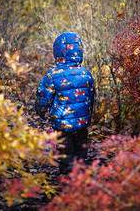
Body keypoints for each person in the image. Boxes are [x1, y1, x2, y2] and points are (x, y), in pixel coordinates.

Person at [36, 32, 95, 174]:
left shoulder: (53, 75)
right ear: (79, 50)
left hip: (62, 125)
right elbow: (91, 97)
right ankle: (80, 183)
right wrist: (88, 115)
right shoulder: (85, 74)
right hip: (81, 124)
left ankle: (67, 185)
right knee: (80, 154)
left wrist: (42, 113)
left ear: (57, 53)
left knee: (65, 156)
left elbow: (43, 97)